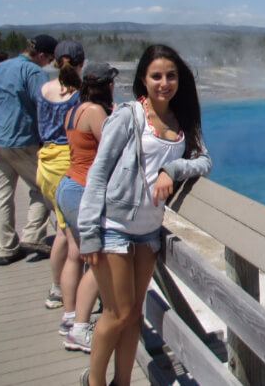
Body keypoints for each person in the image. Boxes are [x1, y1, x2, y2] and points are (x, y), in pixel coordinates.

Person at [79, 45, 211, 386]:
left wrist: (172, 168)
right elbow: (97, 174)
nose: (164, 83)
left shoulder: (181, 120)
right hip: (114, 227)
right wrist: (89, 233)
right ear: (143, 79)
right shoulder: (128, 115)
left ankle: (121, 381)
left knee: (133, 316)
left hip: (148, 229)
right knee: (116, 313)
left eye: (171, 76)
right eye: (156, 76)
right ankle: (94, 381)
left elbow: (204, 161)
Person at [56, 62, 118, 353]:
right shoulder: (94, 111)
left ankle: (70, 318)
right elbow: (112, 146)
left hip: (68, 186)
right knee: (98, 261)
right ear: (107, 85)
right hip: (83, 191)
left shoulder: (75, 109)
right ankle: (81, 329)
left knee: (75, 254)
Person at [0, 34, 57, 266]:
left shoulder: (0, 68)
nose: (48, 64)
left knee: (1, 195)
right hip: (22, 139)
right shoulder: (35, 73)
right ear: (42, 55)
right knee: (42, 188)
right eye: (49, 59)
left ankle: (6, 249)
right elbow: (43, 106)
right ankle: (32, 237)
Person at [36, 40, 86, 309]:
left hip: (45, 161)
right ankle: (68, 299)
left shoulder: (44, 89)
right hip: (69, 163)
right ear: (82, 62)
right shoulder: (79, 94)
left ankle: (57, 288)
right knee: (72, 238)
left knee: (60, 229)